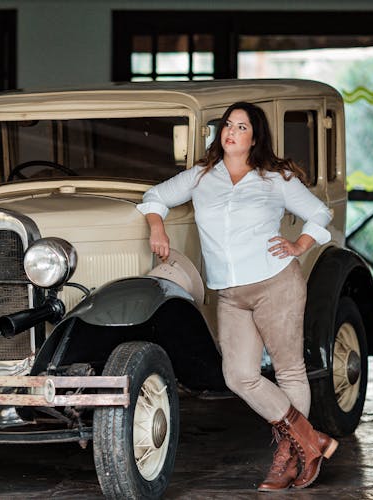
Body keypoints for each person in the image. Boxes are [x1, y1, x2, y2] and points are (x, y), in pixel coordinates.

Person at [136, 101, 338, 490]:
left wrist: (300, 245)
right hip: (229, 292)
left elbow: (319, 213)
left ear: (255, 137)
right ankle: (311, 441)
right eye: (228, 125)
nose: (231, 132)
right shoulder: (201, 176)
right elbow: (154, 196)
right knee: (238, 375)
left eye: (241, 127)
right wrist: (156, 228)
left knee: (289, 370)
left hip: (276, 281)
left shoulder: (274, 177)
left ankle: (289, 456)